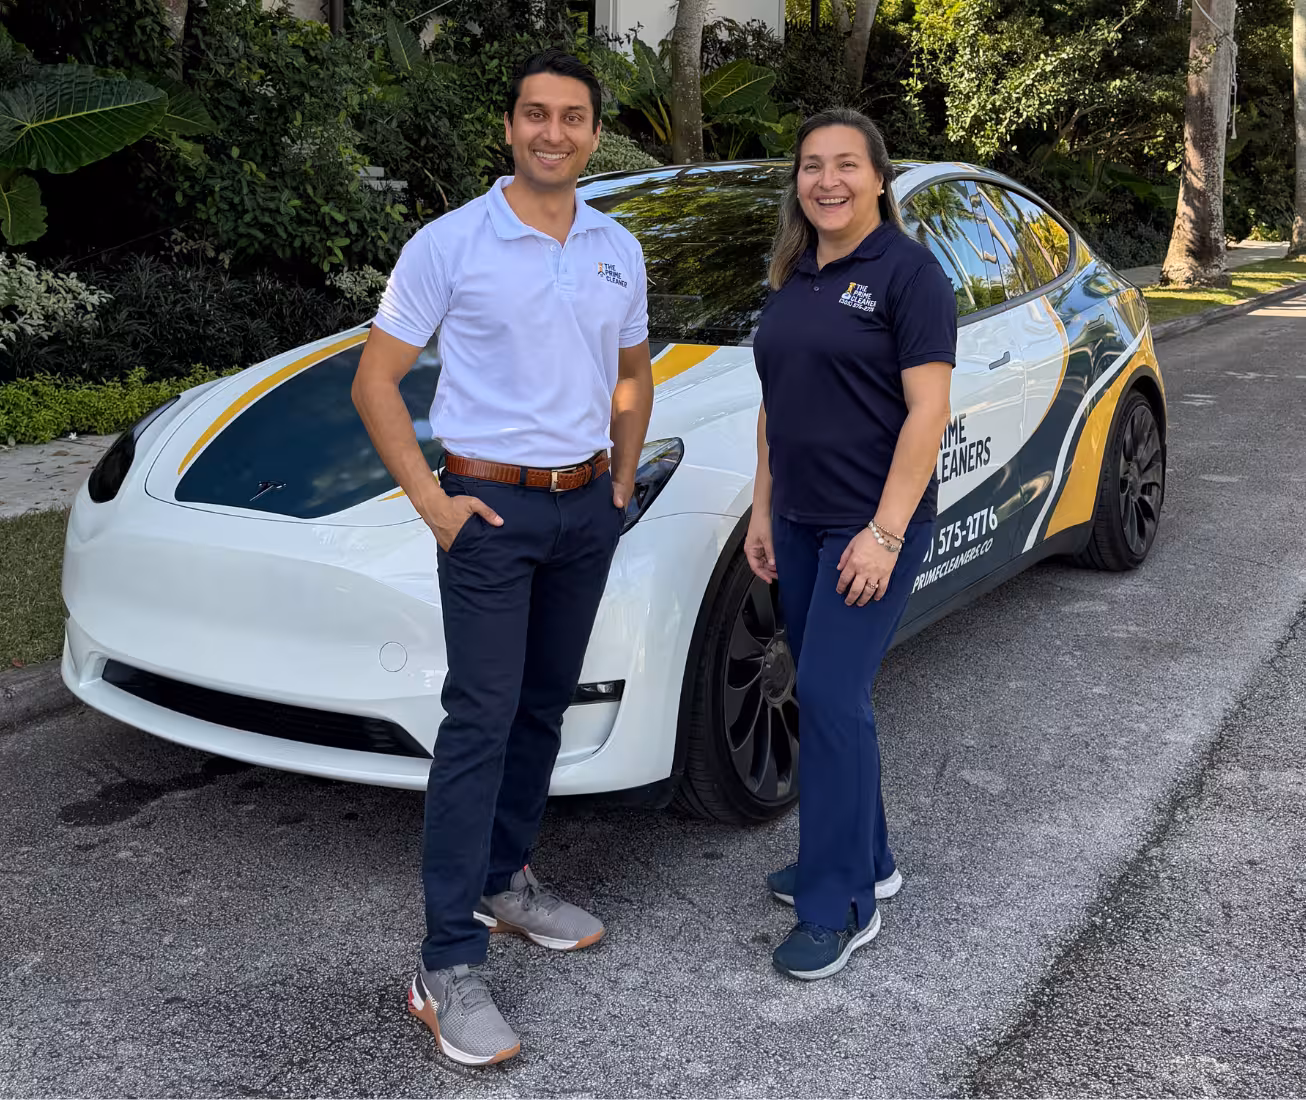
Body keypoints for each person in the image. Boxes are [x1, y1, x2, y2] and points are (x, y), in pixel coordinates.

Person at [351, 49, 653, 1064]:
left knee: (540, 702)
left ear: (593, 134)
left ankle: (504, 879)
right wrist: (434, 502)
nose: (553, 132)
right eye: (536, 114)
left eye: (572, 117)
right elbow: (376, 381)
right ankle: (443, 962)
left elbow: (631, 371)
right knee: (479, 718)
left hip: (581, 512)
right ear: (510, 127)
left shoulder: (617, 246)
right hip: (486, 513)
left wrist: (616, 484)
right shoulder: (450, 242)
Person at [746, 108, 957, 981]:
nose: (826, 180)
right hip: (795, 522)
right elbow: (776, 404)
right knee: (826, 697)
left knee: (830, 695)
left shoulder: (910, 275)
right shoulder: (793, 275)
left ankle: (841, 905)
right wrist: (762, 513)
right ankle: (866, 856)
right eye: (810, 166)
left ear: (878, 177)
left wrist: (883, 531)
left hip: (871, 527)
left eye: (844, 165)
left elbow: (928, 412)